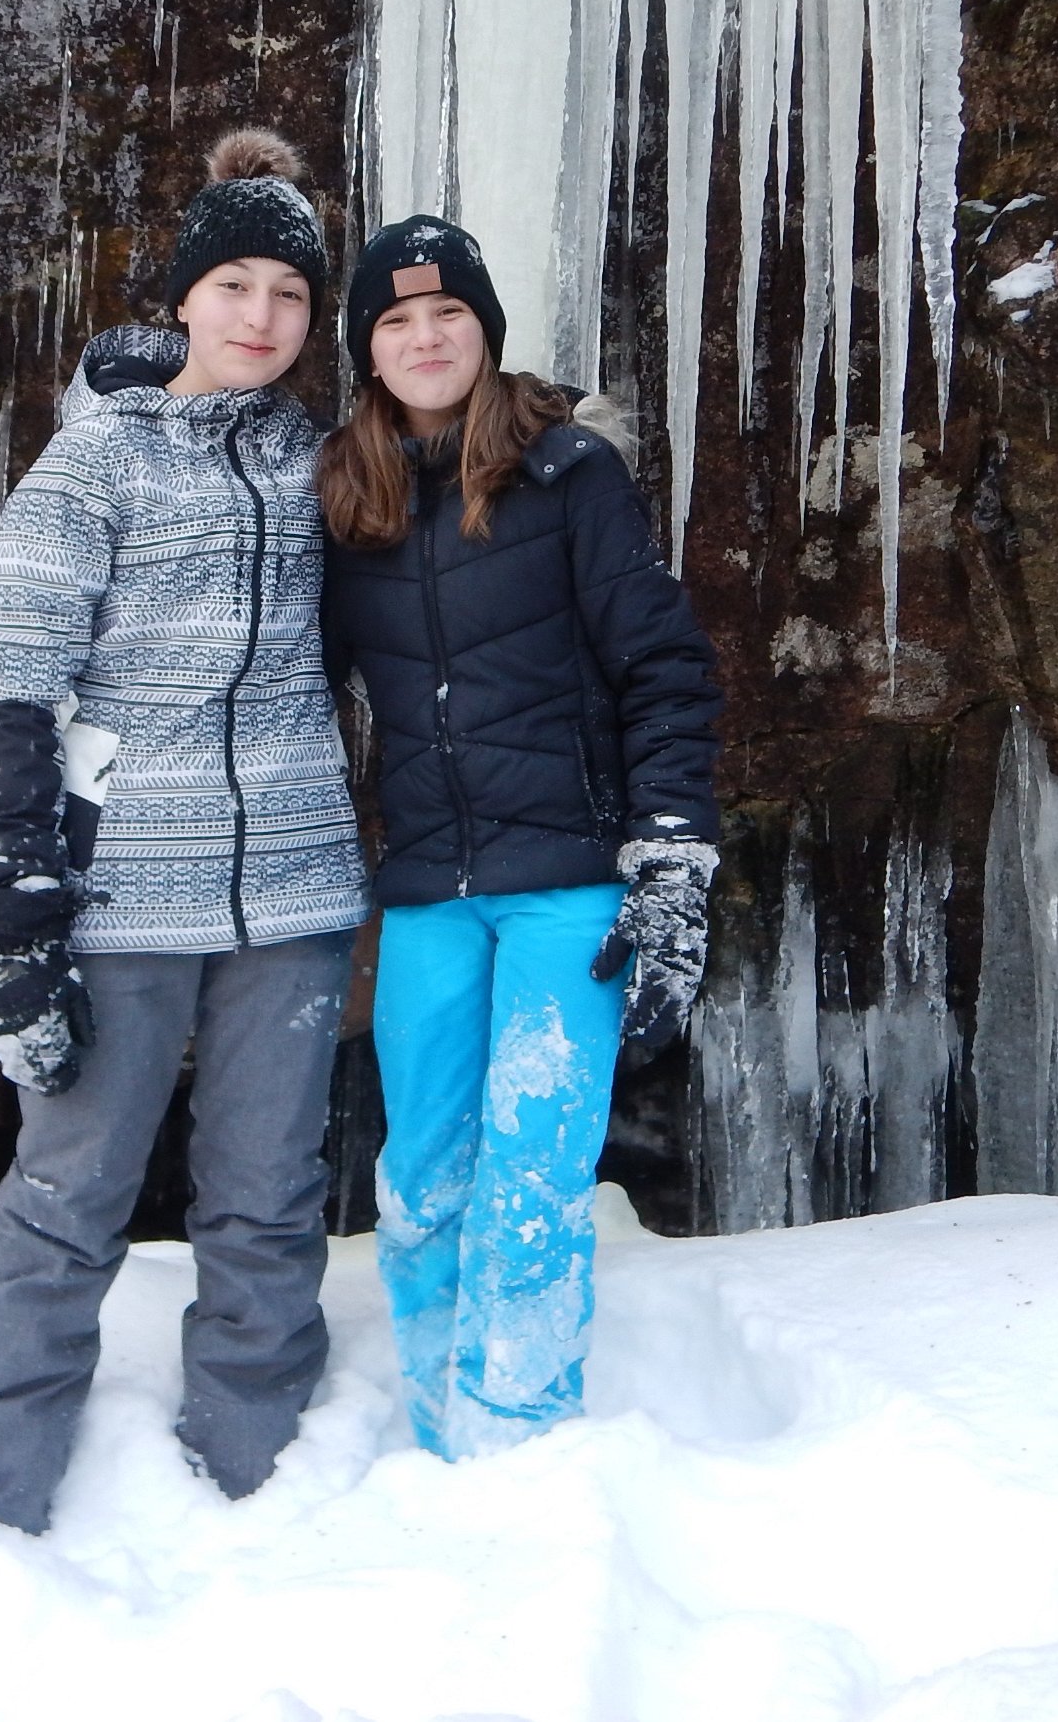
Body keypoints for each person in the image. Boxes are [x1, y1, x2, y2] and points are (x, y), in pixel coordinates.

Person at [0, 129, 370, 1535]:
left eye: (290, 294)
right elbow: (22, 691)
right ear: (184, 297)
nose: (261, 315)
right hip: (123, 896)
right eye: (234, 284)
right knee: (71, 1192)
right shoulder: (91, 467)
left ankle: (254, 1482)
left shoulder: (323, 462)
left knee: (268, 1198)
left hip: (294, 895)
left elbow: (453, 487)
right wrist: (19, 913)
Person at [317, 215, 722, 1460]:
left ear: (486, 330)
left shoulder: (567, 475)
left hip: (567, 888)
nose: (427, 337)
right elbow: (285, 684)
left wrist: (670, 861)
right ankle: (442, 1431)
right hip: (429, 894)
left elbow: (663, 668)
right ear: (367, 349)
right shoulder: (343, 499)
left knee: (534, 1180)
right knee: (420, 1183)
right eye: (396, 320)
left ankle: (519, 1447)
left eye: (450, 313)